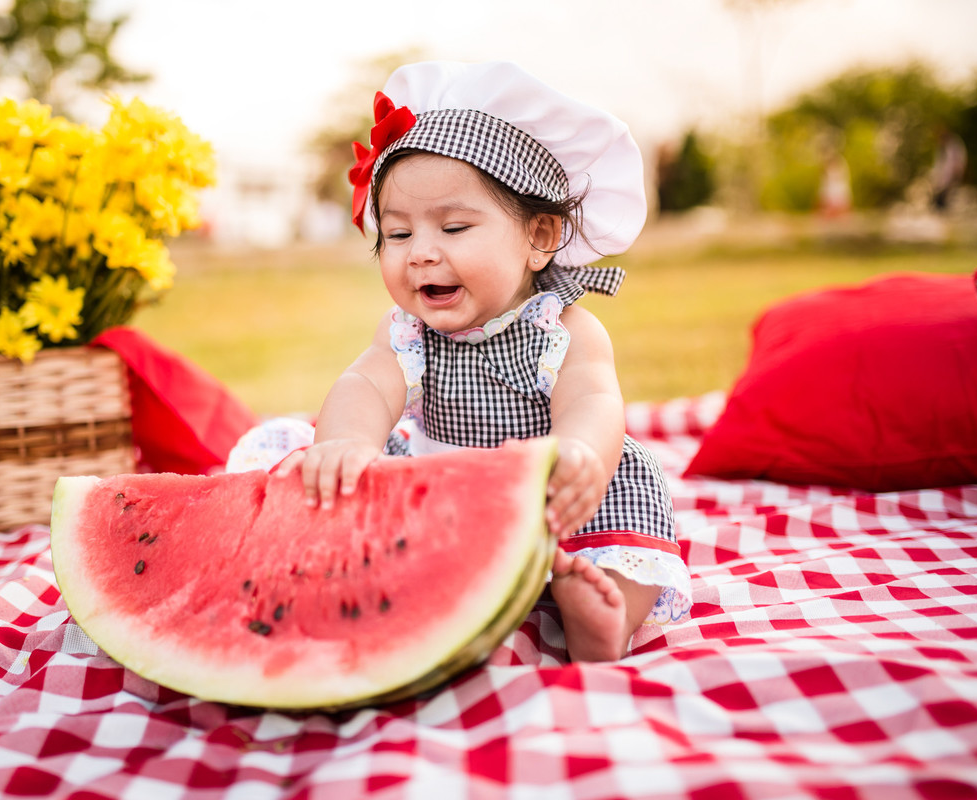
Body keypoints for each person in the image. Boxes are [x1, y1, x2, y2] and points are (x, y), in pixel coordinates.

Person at [227, 61, 692, 662]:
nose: (420, 254)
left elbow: (595, 399)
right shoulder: (408, 332)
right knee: (309, 465)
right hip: (434, 493)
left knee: (634, 492)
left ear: (540, 238)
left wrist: (580, 455)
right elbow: (366, 384)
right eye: (396, 235)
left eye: (453, 227)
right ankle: (368, 581)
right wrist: (346, 441)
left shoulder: (567, 329)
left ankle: (608, 609)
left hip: (548, 496)